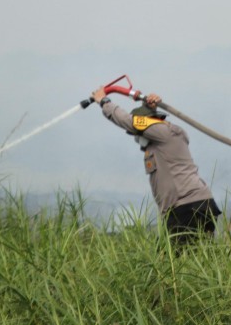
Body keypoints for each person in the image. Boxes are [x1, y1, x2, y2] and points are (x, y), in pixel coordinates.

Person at [89, 88, 220, 247]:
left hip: (186, 208)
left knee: (172, 265)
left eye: (138, 134)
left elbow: (130, 122)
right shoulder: (164, 138)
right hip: (196, 205)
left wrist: (104, 102)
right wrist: (148, 107)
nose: (137, 138)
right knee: (195, 258)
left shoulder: (164, 132)